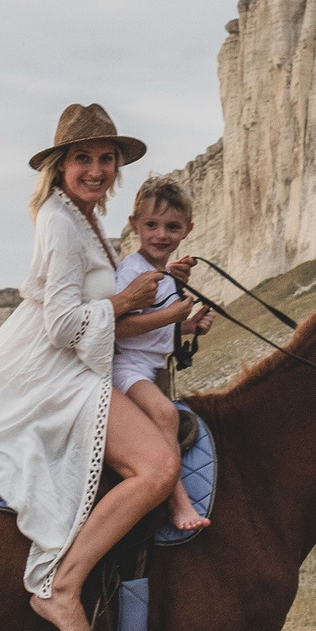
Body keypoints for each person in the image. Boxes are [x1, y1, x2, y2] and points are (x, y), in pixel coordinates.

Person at [0, 104, 189, 631]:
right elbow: (61, 324)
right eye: (83, 158)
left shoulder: (84, 219)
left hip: (71, 361)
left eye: (106, 159)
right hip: (50, 367)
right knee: (157, 467)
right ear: (60, 165)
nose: (96, 170)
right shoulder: (59, 220)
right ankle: (61, 587)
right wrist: (126, 301)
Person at [110, 176, 216, 532]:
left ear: (187, 230)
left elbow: (152, 328)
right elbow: (119, 327)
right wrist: (172, 316)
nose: (161, 235)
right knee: (165, 415)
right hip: (126, 366)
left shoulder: (166, 275)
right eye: (151, 225)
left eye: (172, 227)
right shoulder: (132, 271)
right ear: (134, 225)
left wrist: (188, 326)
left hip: (150, 367)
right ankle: (178, 502)